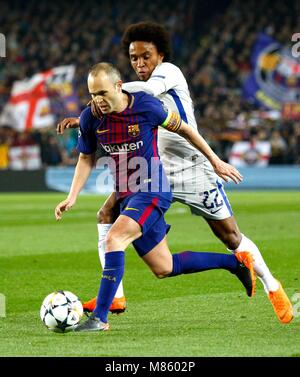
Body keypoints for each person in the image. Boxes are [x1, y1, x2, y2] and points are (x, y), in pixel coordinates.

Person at [57, 22, 293, 324]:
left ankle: (272, 285)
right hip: (152, 169)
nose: (140, 64)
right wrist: (91, 112)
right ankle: (114, 295)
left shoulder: (168, 74)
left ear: (161, 55)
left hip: (192, 168)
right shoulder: (117, 94)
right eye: (133, 58)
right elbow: (111, 107)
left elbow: (142, 92)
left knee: (231, 236)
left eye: (146, 56)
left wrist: (93, 106)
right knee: (107, 215)